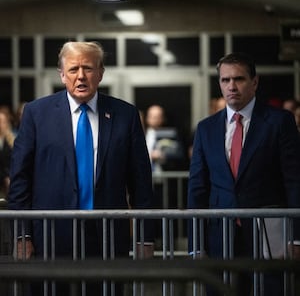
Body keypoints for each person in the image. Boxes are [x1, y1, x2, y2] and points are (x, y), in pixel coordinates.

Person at [8, 41, 154, 296]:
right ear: (62, 74)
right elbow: (20, 179)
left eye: (88, 68)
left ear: (100, 73)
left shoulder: (125, 114)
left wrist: (144, 237)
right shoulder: (36, 113)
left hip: (107, 235)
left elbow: (141, 181)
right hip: (51, 235)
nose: (81, 76)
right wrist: (22, 236)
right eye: (74, 69)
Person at [187, 52, 300, 296]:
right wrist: (196, 244)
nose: (232, 86)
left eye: (238, 79)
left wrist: (297, 238)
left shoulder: (280, 122)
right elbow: (197, 187)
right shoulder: (206, 128)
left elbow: (295, 181)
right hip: (220, 233)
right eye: (225, 80)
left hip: (269, 233)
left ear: (254, 82)